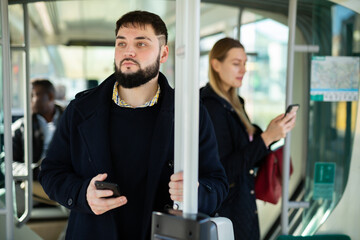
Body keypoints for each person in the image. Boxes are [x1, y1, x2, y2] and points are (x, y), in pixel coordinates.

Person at [39, 10, 228, 240]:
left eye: (141, 43)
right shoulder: (80, 110)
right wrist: (81, 195)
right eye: (121, 43)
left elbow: (217, 183)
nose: (128, 51)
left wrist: (195, 193)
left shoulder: (190, 113)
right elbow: (50, 173)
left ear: (164, 53)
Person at [200, 37, 297, 240]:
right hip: (228, 210)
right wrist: (267, 138)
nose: (243, 70)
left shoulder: (235, 102)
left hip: (243, 206)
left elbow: (248, 151)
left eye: (244, 64)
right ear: (216, 64)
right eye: (236, 64)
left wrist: (271, 133)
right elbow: (224, 169)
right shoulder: (211, 107)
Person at [12, 79, 64, 178]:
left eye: (33, 95)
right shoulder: (19, 129)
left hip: (64, 179)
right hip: (34, 182)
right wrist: (35, 170)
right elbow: (8, 164)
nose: (29, 100)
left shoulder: (71, 122)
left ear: (50, 96)